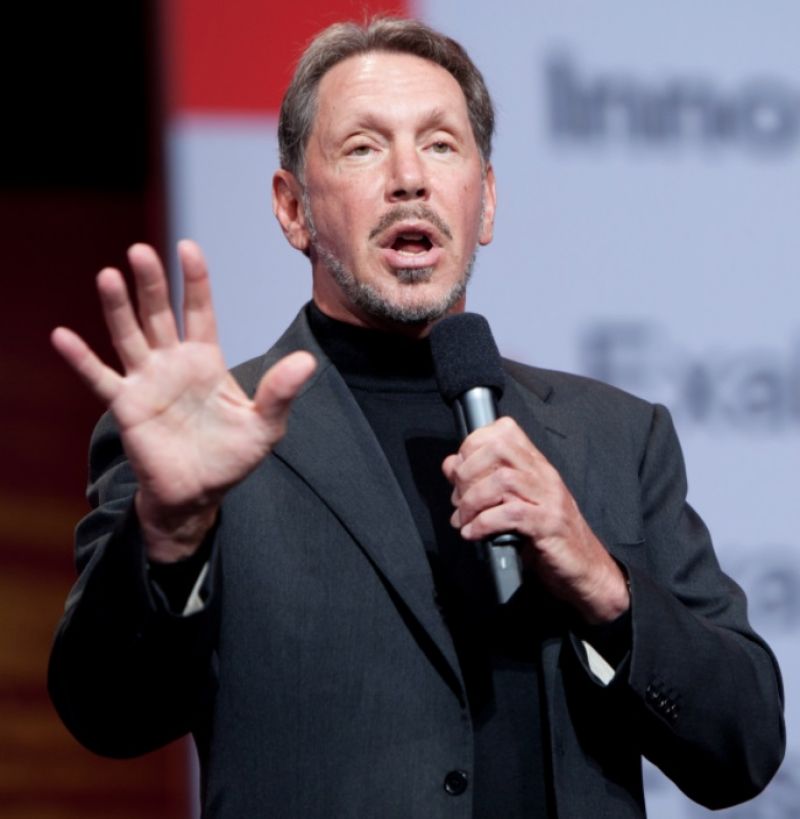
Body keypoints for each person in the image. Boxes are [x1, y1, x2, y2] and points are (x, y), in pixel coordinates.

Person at [48, 17, 784, 819]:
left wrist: (602, 583)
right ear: (292, 208)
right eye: (363, 147)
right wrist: (171, 534)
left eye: (440, 144)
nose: (410, 178)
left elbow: (744, 745)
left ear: (486, 200)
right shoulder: (208, 441)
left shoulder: (616, 436)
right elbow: (108, 713)